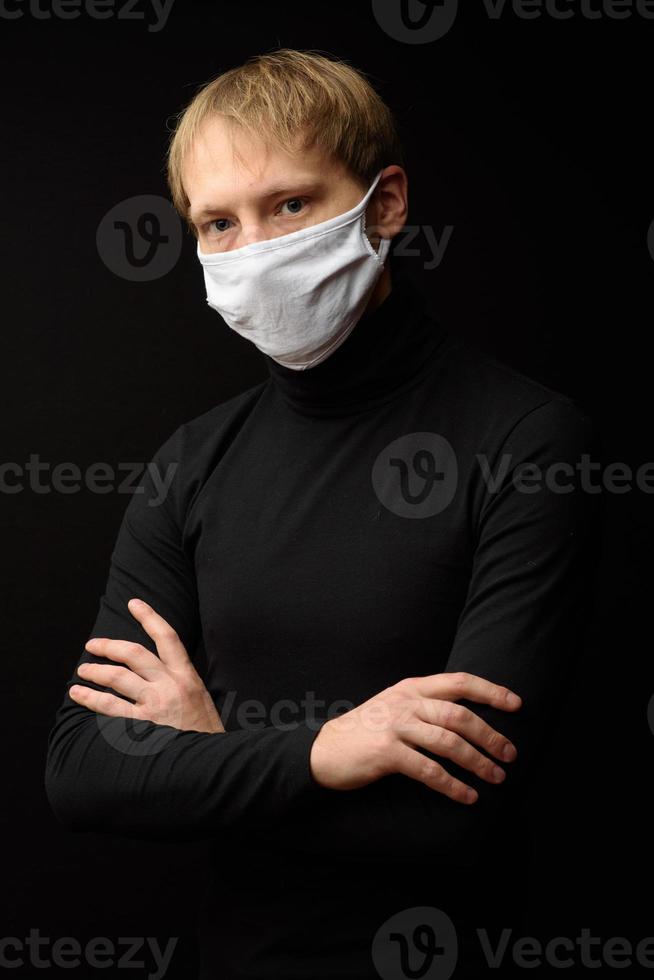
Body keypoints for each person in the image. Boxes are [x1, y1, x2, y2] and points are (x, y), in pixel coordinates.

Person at [45, 48, 600, 979]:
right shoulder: (192, 461)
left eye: (290, 206)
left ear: (383, 204)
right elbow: (83, 772)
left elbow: (446, 820)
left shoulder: (528, 441)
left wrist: (209, 755)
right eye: (218, 222)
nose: (254, 248)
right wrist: (325, 751)